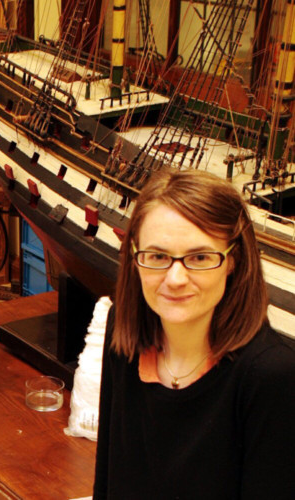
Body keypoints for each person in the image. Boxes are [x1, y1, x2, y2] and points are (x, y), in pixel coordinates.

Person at [93, 169, 295, 499]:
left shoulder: (271, 376)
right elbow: (106, 481)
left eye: (199, 257)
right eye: (157, 256)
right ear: (135, 258)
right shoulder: (124, 330)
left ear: (234, 261)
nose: (175, 278)